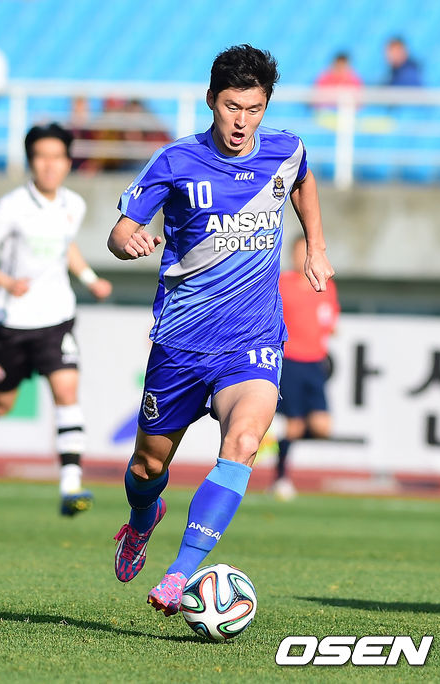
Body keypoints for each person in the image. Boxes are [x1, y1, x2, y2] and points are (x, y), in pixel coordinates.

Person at [107, 44, 334, 616]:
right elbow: (120, 231)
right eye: (232, 107)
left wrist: (316, 245)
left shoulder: (285, 150)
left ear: (266, 106)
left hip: (253, 341)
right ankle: (142, 518)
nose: (241, 122)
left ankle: (179, 575)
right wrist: (129, 242)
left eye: (253, 109)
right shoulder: (176, 160)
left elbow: (303, 181)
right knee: (147, 467)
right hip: (181, 343)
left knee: (243, 443)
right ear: (211, 100)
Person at [0, 123, 112, 516]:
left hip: (57, 318)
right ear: (31, 161)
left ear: (68, 162)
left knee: (66, 392)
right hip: (12, 323)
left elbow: (66, 246)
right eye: (41, 157)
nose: (49, 165)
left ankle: (71, 486)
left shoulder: (74, 204)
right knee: (1, 403)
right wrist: (7, 281)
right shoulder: (12, 206)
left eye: (57, 157)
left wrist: (90, 278)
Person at [270, 236, 340, 501]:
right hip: (290, 361)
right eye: (299, 252)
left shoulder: (326, 285)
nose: (303, 257)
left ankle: (277, 444)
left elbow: (330, 319)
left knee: (322, 426)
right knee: (295, 424)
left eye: (307, 251)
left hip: (315, 363)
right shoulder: (281, 283)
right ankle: (281, 478)